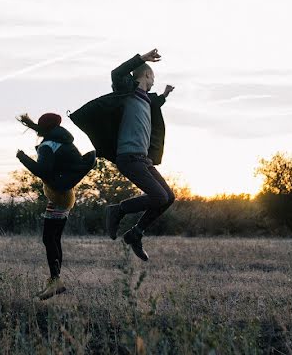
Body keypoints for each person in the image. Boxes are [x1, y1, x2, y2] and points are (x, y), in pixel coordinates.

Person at [68, 48, 175, 261]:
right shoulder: (127, 91)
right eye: (153, 77)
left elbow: (153, 104)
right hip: (128, 157)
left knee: (168, 198)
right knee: (158, 196)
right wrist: (141, 59)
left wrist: (164, 95)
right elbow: (116, 73)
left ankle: (135, 233)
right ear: (146, 75)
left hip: (143, 160)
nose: (154, 81)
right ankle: (118, 210)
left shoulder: (146, 99)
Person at [16, 112, 96, 300]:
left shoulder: (48, 145)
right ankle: (55, 280)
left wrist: (22, 158)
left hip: (60, 197)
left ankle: (55, 281)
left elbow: (42, 170)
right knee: (53, 239)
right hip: (64, 196)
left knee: (48, 238)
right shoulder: (61, 141)